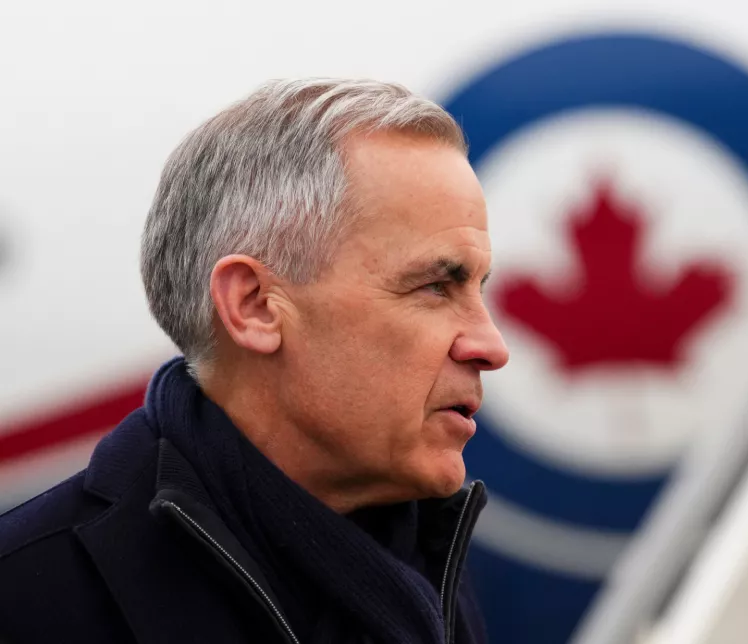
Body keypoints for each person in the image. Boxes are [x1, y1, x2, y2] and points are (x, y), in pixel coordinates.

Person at [0, 79, 509, 644]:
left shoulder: (427, 567)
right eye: (436, 286)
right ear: (255, 306)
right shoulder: (27, 600)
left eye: (479, 288)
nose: (491, 346)